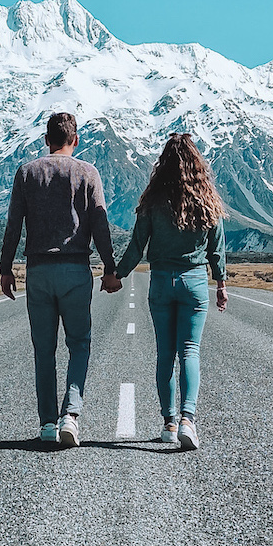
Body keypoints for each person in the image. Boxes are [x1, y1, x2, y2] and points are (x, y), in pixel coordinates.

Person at [0, 112, 120, 447]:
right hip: (75, 270)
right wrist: (110, 268)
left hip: (38, 271)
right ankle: (72, 414)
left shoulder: (27, 173)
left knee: (44, 350)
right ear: (75, 140)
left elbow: (14, 226)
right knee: (79, 344)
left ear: (46, 139)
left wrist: (5, 267)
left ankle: (48, 423)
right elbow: (100, 224)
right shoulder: (87, 173)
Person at [111, 133, 227, 450]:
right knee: (190, 351)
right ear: (196, 164)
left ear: (163, 165)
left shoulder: (152, 201)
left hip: (161, 281)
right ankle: (189, 419)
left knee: (165, 354)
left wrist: (117, 275)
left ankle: (170, 423)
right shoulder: (207, 199)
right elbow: (217, 248)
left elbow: (137, 246)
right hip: (194, 283)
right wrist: (221, 284)